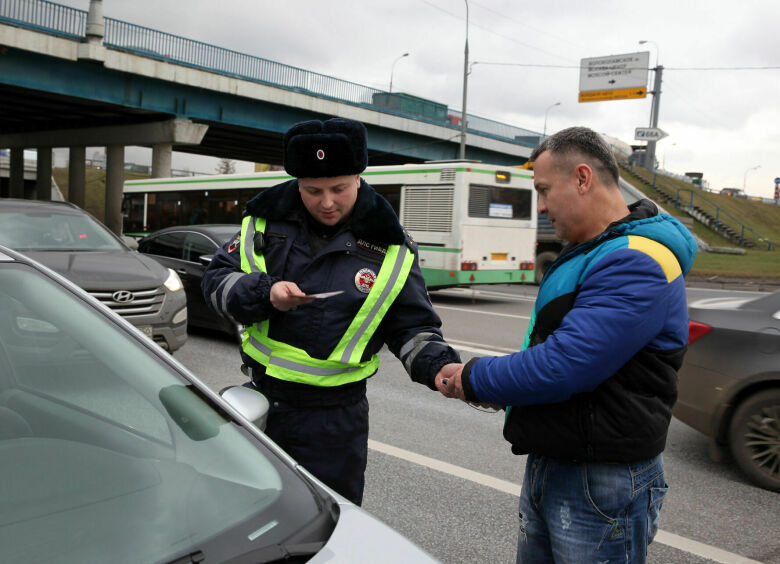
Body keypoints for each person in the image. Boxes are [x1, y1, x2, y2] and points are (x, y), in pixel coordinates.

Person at [437, 126, 698, 563]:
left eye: (543, 191)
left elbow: (567, 364)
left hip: (600, 478)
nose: (540, 208)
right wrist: (506, 392)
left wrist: (475, 377)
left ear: (581, 178)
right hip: (561, 460)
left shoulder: (636, 259)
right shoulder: (595, 249)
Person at [202, 117, 460, 506]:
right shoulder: (261, 223)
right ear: (297, 184)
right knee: (253, 519)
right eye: (313, 190)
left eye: (339, 188)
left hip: (335, 422)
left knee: (328, 523)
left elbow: (412, 326)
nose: (327, 202)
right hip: (261, 401)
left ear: (358, 177)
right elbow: (215, 284)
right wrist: (265, 292)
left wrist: (440, 366)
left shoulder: (393, 247)